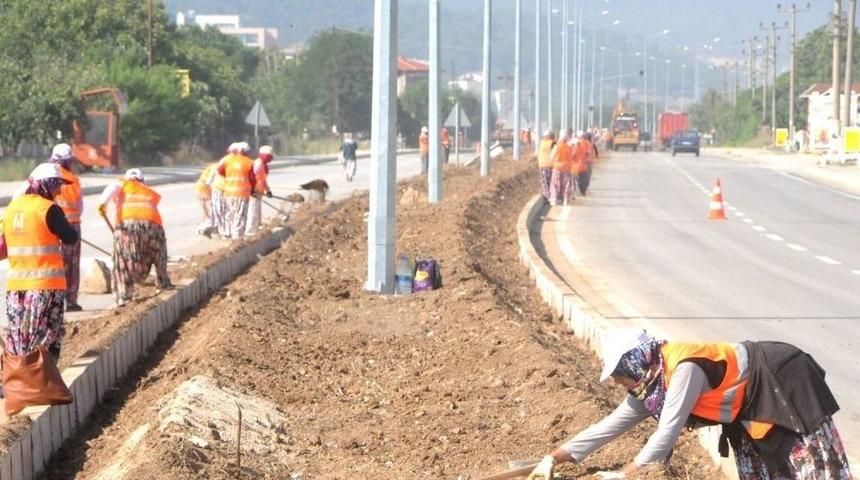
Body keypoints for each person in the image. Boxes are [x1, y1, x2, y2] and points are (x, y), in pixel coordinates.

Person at [526, 329, 851, 480]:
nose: (616, 381)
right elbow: (609, 426)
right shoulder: (651, 386)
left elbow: (668, 430)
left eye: (617, 374)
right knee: (762, 470)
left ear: (632, 363)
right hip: (748, 404)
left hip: (782, 380)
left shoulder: (683, 370)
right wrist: (553, 458)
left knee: (810, 465)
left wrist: (628, 474)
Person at [4, 163, 78, 363]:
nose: (60, 190)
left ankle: (16, 381)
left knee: (19, 338)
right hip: (45, 288)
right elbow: (71, 237)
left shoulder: (12, 209)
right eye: (57, 185)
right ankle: (42, 385)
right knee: (45, 338)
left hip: (16, 290)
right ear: (47, 184)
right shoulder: (49, 209)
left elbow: (2, 248)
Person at [98, 169, 172, 305]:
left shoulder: (122, 184)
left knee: (122, 258)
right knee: (158, 250)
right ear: (142, 180)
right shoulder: (147, 189)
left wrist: (102, 203)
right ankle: (163, 281)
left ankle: (124, 295)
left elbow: (112, 188)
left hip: (126, 227)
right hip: (151, 225)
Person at [48, 144, 84, 312]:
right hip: (73, 225)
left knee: (57, 265)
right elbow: (80, 205)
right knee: (72, 265)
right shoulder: (74, 179)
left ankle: (55, 302)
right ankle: (71, 301)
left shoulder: (46, 175)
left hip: (53, 226)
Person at [217, 142, 255, 240]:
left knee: (231, 213)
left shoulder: (229, 160)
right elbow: (252, 179)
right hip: (242, 193)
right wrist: (253, 190)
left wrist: (231, 177)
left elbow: (220, 171)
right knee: (240, 215)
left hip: (229, 192)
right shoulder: (249, 162)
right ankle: (237, 237)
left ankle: (228, 233)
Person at [246, 145, 274, 235]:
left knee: (257, 211)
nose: (271, 158)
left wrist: (268, 190)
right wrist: (252, 189)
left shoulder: (263, 165)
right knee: (253, 211)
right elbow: (252, 177)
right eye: (269, 156)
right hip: (255, 191)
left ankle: (257, 228)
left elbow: (263, 179)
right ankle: (250, 230)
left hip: (259, 191)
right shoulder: (258, 163)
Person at [549, 130, 574, 206]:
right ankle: (565, 199)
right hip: (567, 168)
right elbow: (572, 156)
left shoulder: (556, 146)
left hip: (557, 167)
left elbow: (551, 157)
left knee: (555, 183)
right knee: (566, 184)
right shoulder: (569, 147)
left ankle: (554, 199)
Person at [195, 162, 218, 237]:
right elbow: (209, 181)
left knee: (206, 211)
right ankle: (207, 229)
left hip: (200, 187)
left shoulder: (213, 166)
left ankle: (208, 228)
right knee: (211, 211)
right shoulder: (216, 167)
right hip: (205, 189)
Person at [537, 130, 555, 201]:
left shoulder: (541, 143)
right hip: (550, 164)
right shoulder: (553, 143)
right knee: (550, 180)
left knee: (544, 181)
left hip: (542, 165)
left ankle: (547, 195)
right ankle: (549, 195)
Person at [577, 132, 596, 197]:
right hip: (587, 162)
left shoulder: (577, 143)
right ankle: (584, 190)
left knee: (580, 177)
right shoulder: (589, 143)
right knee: (586, 177)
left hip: (579, 163)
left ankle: (581, 189)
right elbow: (589, 152)